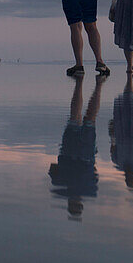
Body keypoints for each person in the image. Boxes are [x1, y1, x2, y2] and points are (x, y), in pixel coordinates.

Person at [49, 74, 106, 219]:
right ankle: (81, 86)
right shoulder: (59, 188)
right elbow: (52, 167)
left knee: (90, 119)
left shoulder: (91, 190)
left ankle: (98, 87)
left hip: (85, 156)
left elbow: (94, 172)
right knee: (75, 117)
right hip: (69, 153)